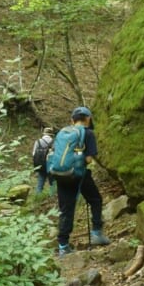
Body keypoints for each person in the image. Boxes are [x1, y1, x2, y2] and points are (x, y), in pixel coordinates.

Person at [55, 106, 110, 257]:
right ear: (88, 118)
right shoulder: (88, 133)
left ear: (72, 120)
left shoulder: (63, 133)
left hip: (60, 174)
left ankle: (63, 246)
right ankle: (97, 233)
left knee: (66, 209)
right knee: (95, 199)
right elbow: (88, 159)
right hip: (79, 174)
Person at [32, 127, 54, 194]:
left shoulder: (38, 141)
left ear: (44, 134)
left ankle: (38, 196)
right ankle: (51, 195)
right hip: (50, 164)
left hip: (41, 164)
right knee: (52, 182)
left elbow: (33, 153)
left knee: (41, 180)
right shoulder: (54, 142)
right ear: (51, 134)